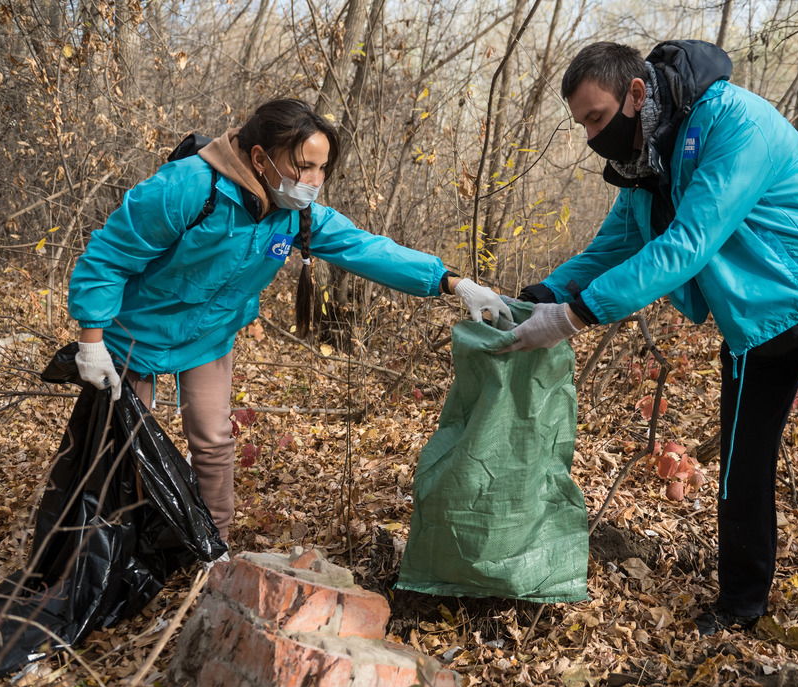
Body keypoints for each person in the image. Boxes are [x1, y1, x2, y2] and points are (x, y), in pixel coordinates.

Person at [507, 41, 798, 646]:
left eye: (596, 118)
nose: (592, 136)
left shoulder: (735, 122)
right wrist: (540, 295)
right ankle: (741, 603)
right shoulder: (647, 165)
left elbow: (689, 244)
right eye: (582, 125)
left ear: (636, 94)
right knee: (741, 473)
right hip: (753, 323)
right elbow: (610, 248)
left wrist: (577, 315)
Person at [68, 98, 510, 546]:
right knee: (123, 444)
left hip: (208, 336)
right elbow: (109, 255)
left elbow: (366, 248)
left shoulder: (294, 215)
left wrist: (452, 283)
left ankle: (210, 546)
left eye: (322, 169)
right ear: (260, 158)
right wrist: (91, 339)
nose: (314, 182)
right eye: (304, 167)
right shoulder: (187, 188)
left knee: (213, 440)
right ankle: (109, 546)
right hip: (133, 335)